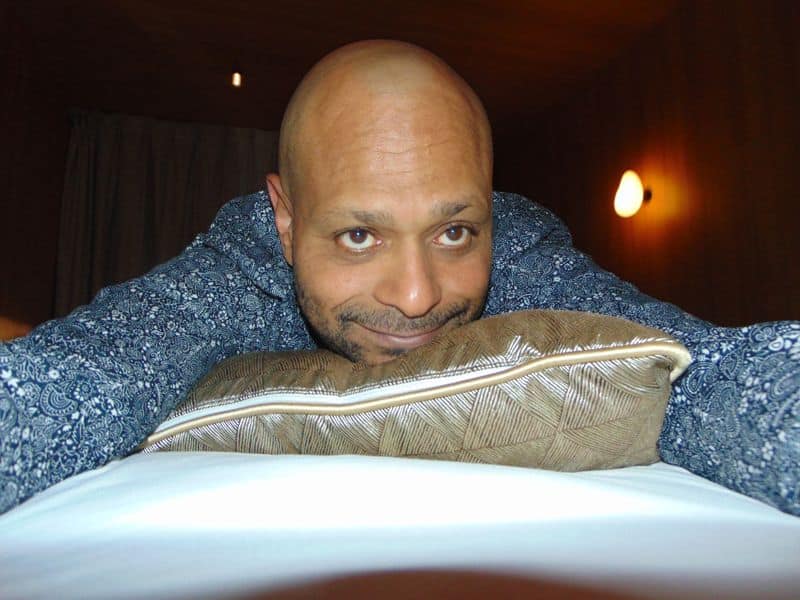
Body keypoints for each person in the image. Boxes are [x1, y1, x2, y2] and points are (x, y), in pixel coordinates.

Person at [1, 40, 797, 516]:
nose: (418, 295)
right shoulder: (236, 267)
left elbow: (703, 372)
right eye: (359, 235)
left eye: (455, 232)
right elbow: (82, 378)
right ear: (285, 221)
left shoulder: (519, 246)